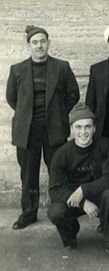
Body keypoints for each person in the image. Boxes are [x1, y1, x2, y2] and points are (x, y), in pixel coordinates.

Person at [6, 25, 79, 230]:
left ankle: (62, 212)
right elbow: (12, 98)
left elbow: (73, 94)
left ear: (48, 43)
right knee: (28, 175)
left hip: (53, 130)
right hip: (27, 132)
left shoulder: (62, 67)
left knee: (58, 172)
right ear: (29, 45)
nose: (39, 46)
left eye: (43, 41)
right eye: (35, 42)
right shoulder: (17, 69)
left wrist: (58, 114)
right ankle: (28, 213)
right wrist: (27, 115)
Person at [47, 103, 109, 262]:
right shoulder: (62, 154)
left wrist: (83, 189)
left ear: (94, 128)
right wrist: (83, 202)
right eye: (78, 127)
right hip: (73, 200)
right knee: (55, 211)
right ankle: (71, 235)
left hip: (99, 196)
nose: (83, 132)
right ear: (72, 129)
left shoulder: (104, 145)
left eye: (88, 127)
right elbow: (55, 190)